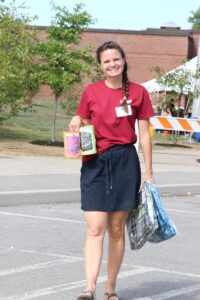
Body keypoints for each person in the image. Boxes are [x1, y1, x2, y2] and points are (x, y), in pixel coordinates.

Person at [69, 41, 155, 300]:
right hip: (95, 162)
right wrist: (75, 119)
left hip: (125, 162)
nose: (112, 64)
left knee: (116, 229)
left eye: (115, 59)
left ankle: (110, 289)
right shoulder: (91, 91)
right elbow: (82, 121)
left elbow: (144, 134)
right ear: (101, 66)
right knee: (95, 227)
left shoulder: (139, 93)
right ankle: (89, 288)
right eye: (106, 61)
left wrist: (149, 170)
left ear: (123, 60)